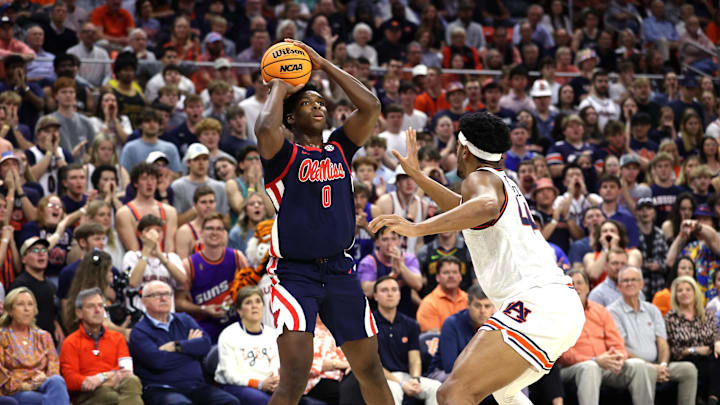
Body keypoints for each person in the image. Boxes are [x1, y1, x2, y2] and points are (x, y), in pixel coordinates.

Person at [369, 113, 585, 405]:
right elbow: (466, 208)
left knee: (453, 392)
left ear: (463, 149)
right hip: (558, 304)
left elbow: (482, 205)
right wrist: (419, 177)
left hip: (536, 303)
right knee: (504, 394)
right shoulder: (500, 181)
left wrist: (417, 228)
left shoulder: (479, 180)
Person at [254, 38, 393, 405]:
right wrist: (282, 82)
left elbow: (371, 106)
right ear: (290, 117)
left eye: (320, 103)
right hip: (294, 274)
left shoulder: (339, 148)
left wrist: (322, 65)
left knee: (371, 370)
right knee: (295, 377)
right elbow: (264, 129)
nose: (317, 106)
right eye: (307, 103)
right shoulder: (282, 155)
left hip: (340, 270)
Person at [129, 280, 240, 405]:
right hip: (162, 389)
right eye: (156, 295)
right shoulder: (139, 331)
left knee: (229, 401)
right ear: (144, 301)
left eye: (167, 294)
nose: (163, 298)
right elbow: (158, 361)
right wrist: (191, 350)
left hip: (196, 386)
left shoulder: (184, 319)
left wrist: (176, 346)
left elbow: (205, 345)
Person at [559, 270, 655, 405]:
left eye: (579, 283)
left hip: (606, 365)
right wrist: (594, 360)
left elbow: (617, 343)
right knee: (590, 367)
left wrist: (616, 357)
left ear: (588, 288)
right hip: (573, 368)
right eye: (571, 284)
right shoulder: (558, 315)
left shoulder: (600, 311)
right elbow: (563, 355)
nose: (575, 287)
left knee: (638, 365)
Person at [607, 267, 698, 405]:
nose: (629, 283)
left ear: (642, 284)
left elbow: (662, 343)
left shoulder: (652, 310)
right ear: (619, 287)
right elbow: (621, 349)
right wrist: (652, 367)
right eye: (625, 281)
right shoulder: (612, 312)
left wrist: (662, 365)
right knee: (643, 369)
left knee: (688, 369)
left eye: (634, 280)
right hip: (629, 367)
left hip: (656, 364)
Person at [59, 287, 142, 405]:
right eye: (91, 306)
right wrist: (104, 379)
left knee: (132, 381)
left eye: (100, 306)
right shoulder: (70, 342)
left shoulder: (117, 338)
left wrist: (101, 378)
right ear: (79, 313)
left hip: (117, 387)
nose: (97, 310)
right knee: (109, 394)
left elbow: (126, 372)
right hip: (88, 395)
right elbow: (70, 380)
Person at [175, 213, 249, 343]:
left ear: (225, 233)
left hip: (236, 322)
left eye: (219, 229)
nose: (214, 232)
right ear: (201, 233)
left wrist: (236, 298)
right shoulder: (189, 264)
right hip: (204, 325)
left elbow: (250, 290)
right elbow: (178, 303)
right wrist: (203, 309)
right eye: (210, 228)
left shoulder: (237, 257)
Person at [372, 276, 441, 405]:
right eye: (384, 290)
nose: (390, 294)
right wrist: (401, 383)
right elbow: (373, 364)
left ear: (399, 294)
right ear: (375, 296)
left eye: (394, 289)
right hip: (381, 377)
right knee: (393, 390)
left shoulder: (411, 324)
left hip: (406, 376)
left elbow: (414, 359)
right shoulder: (369, 325)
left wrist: (415, 379)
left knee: (436, 388)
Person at [0, 287, 70, 404]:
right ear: (11, 310)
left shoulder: (44, 336)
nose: (26, 309)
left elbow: (54, 367)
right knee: (41, 399)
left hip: (43, 385)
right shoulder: (2, 336)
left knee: (57, 381)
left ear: (35, 310)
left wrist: (45, 379)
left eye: (30, 304)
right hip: (16, 391)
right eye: (21, 304)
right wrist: (25, 386)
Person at [215, 286, 281, 404]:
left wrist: (275, 380)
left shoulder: (272, 334)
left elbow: (276, 362)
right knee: (266, 401)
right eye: (248, 302)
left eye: (258, 301)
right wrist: (259, 384)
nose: (254, 306)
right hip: (238, 386)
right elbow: (230, 375)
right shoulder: (228, 334)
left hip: (268, 384)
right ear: (239, 311)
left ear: (263, 307)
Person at [664, 276, 720, 405]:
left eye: (688, 289)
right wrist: (694, 350)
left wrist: (717, 343)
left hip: (710, 357)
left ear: (695, 292)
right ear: (675, 295)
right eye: (680, 290)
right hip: (686, 359)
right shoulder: (670, 318)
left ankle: (712, 399)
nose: (684, 293)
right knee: (708, 365)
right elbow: (674, 350)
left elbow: (715, 337)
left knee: (716, 359)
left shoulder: (707, 315)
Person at [124, 214, 185, 313]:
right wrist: (146, 251)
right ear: (140, 234)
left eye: (158, 230)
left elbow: (183, 281)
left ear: (162, 234)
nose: (153, 234)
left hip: (167, 315)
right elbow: (133, 282)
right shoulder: (132, 256)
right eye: (148, 230)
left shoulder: (172, 257)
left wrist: (160, 256)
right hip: (139, 315)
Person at [116, 162, 178, 252]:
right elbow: (133, 250)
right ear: (135, 183)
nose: (149, 183)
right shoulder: (124, 213)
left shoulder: (169, 211)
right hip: (139, 262)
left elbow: (169, 248)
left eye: (152, 179)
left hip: (163, 262)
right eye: (144, 179)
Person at [416, 256, 468, 333]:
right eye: (446, 272)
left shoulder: (469, 299)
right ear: (437, 277)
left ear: (460, 276)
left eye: (455, 272)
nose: (451, 276)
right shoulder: (428, 304)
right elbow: (432, 339)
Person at [175, 185, 216, 258]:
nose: (208, 206)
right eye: (203, 202)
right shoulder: (185, 231)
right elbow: (182, 265)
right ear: (195, 205)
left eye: (211, 202)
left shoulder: (221, 229)